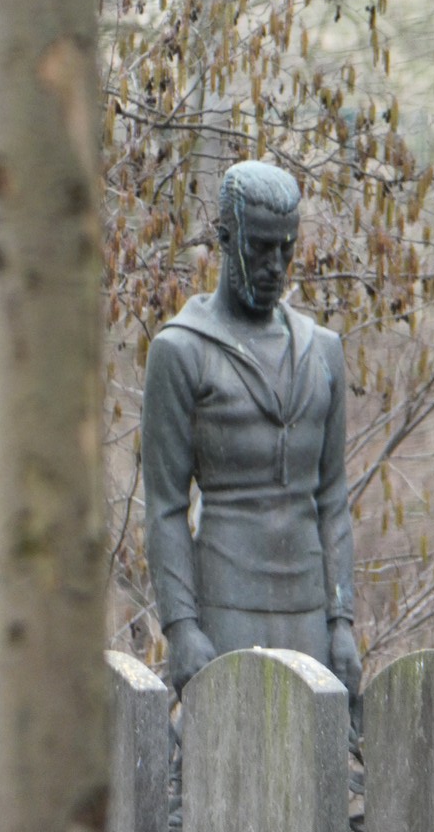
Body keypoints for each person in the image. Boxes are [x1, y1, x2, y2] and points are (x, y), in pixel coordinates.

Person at [142, 160, 361, 704]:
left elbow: (332, 499)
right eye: (260, 248)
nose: (274, 266)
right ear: (224, 237)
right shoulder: (180, 351)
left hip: (311, 612)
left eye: (285, 250)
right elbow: (166, 505)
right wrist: (182, 627)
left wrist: (342, 621)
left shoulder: (323, 352)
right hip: (225, 611)